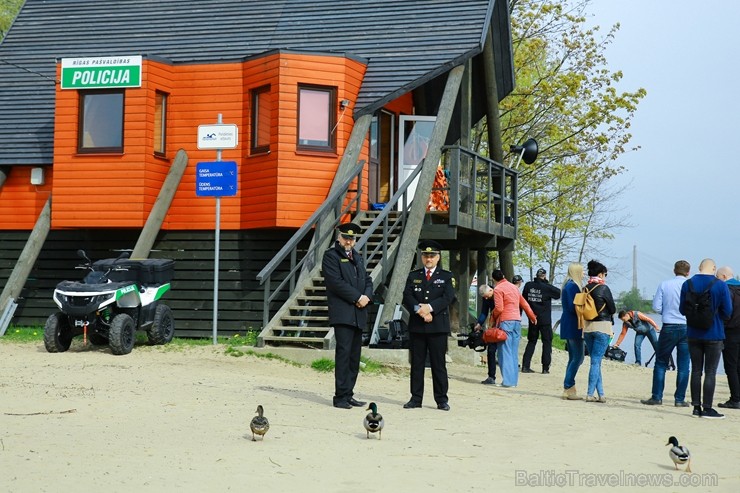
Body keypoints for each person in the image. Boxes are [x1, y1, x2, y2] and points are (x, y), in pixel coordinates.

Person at [322, 222, 374, 409]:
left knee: (354, 356)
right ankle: (340, 396)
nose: (348, 241)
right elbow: (335, 283)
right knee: (343, 354)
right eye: (346, 237)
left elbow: (367, 279)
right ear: (339, 237)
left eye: (352, 238)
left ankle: (349, 393)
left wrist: (367, 296)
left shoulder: (358, 257)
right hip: (343, 312)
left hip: (359, 312)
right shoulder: (331, 256)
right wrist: (357, 297)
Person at [402, 240, 456, 411]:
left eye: (432, 256)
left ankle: (441, 400)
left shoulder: (446, 276)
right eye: (426, 256)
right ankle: (415, 398)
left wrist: (430, 309)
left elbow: (448, 297)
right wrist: (420, 310)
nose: (428, 259)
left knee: (438, 364)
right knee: (417, 364)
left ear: (438, 257)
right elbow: (407, 296)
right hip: (418, 325)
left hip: (437, 326)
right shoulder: (414, 275)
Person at [679, 258, 732, 419]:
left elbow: (682, 310)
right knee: (710, 372)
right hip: (714, 333)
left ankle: (696, 408)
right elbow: (727, 311)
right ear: (714, 268)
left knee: (696, 371)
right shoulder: (720, 285)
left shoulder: (687, 284)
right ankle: (707, 408)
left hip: (693, 334)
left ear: (699, 267)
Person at [640, 260, 691, 407]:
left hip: (668, 326)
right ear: (688, 272)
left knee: (661, 362)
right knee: (684, 365)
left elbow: (656, 306)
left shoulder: (664, 284)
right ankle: (679, 399)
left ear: (674, 270)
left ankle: (657, 397)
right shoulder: (690, 285)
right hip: (686, 327)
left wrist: (666, 311)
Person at [491, 270, 537, 388]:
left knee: (504, 352)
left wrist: (492, 317)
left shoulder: (498, 289)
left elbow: (499, 308)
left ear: (494, 279)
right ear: (504, 276)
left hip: (505, 321)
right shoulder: (514, 288)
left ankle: (507, 381)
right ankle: (514, 381)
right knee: (513, 352)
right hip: (517, 320)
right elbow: (524, 304)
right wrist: (532, 316)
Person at [582, 260, 616, 403]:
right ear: (601, 274)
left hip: (588, 328)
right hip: (603, 328)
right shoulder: (604, 288)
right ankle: (590, 394)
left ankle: (601, 394)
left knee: (596, 362)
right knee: (596, 362)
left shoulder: (585, 288)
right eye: (605, 274)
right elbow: (613, 309)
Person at [521, 267, 561, 374]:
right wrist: (546, 283)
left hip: (532, 318)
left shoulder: (528, 286)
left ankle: (525, 365)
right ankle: (545, 368)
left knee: (531, 341)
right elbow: (558, 293)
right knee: (547, 342)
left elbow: (523, 298)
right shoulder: (547, 287)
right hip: (545, 320)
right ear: (544, 276)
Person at [560, 262, 585, 400]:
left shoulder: (566, 285)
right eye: (582, 271)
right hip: (573, 324)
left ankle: (569, 386)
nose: (584, 274)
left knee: (573, 357)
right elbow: (573, 307)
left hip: (567, 323)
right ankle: (568, 385)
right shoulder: (573, 286)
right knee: (578, 357)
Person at [718, 266, 740, 410]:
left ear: (724, 277)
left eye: (718, 277)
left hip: (730, 333)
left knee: (730, 366)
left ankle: (735, 399)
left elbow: (726, 313)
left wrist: (720, 328)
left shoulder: (726, 290)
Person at [475, 283, 497, 385]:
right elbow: (484, 311)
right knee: (491, 350)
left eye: (486, 296)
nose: (486, 298)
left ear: (490, 291)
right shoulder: (486, 298)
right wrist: (479, 323)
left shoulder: (498, 293)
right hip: (493, 325)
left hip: (503, 323)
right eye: (484, 297)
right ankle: (491, 376)